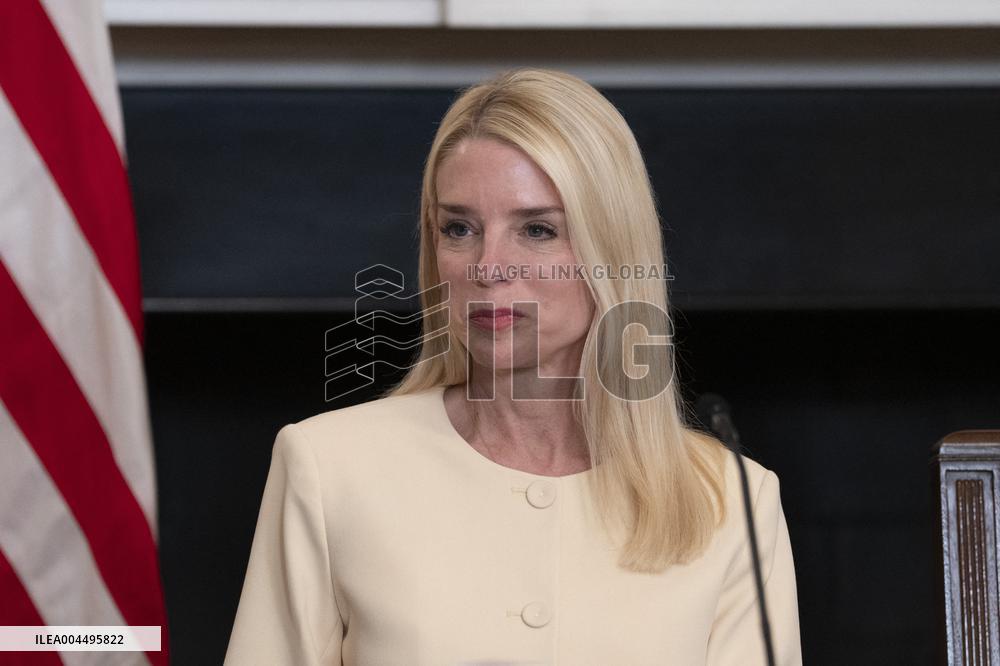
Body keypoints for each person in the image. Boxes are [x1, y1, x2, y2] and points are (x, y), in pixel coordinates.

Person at [224, 67, 802, 665]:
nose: (489, 266)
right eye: (459, 228)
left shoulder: (732, 500)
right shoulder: (329, 465)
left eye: (537, 229)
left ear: (612, 251)